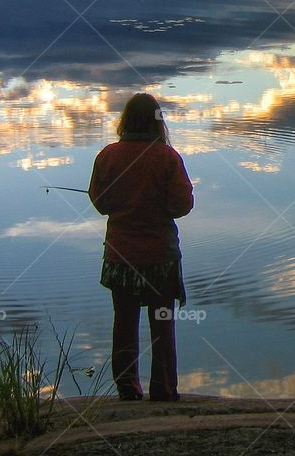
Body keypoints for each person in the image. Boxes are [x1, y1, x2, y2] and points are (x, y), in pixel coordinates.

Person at [89, 93, 194, 401]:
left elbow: (100, 202)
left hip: (120, 256)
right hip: (160, 257)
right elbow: (181, 205)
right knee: (162, 325)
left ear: (125, 121)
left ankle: (127, 389)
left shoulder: (107, 156)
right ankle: (163, 390)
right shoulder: (167, 158)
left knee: (124, 322)